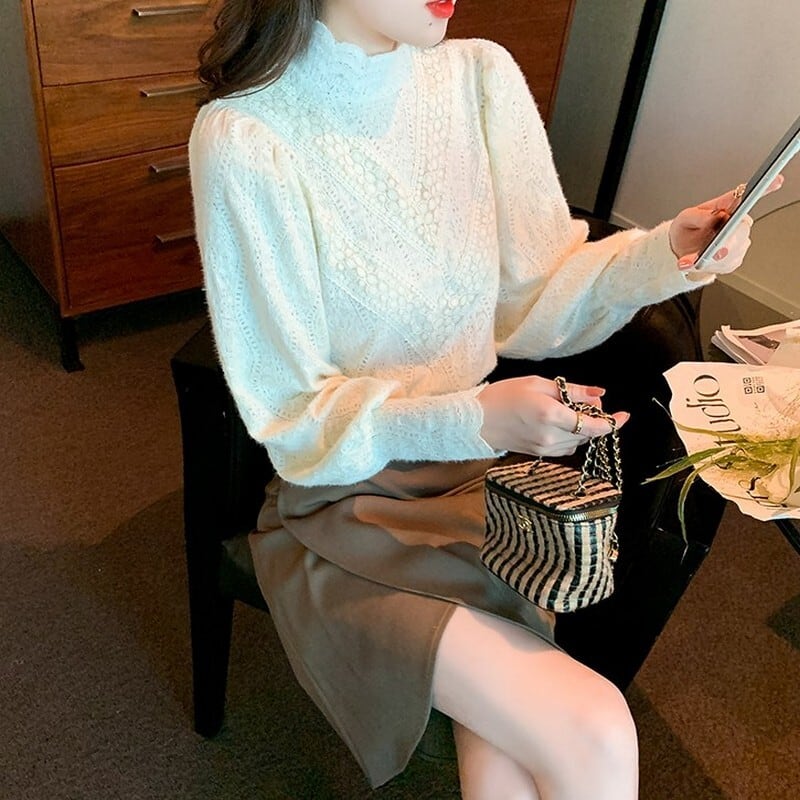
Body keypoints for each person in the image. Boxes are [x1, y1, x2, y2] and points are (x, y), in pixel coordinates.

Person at [188, 2, 768, 797]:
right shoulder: (246, 137)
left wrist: (665, 252)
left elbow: (537, 296)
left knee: (515, 760)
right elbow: (294, 417)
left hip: (483, 491)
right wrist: (477, 416)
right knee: (593, 726)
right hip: (346, 508)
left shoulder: (480, 78)